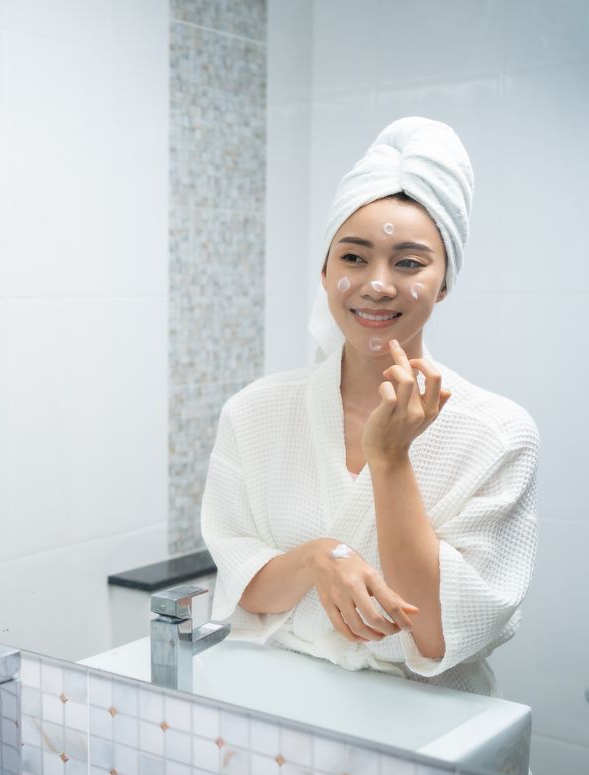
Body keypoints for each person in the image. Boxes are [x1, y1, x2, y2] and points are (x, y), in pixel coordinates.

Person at [202, 117, 540, 697]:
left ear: (444, 282)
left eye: (409, 263)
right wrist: (315, 559)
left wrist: (390, 461)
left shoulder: (499, 434)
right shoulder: (255, 412)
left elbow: (437, 636)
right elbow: (240, 584)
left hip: (427, 724)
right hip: (281, 703)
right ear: (325, 270)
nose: (377, 284)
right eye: (354, 258)